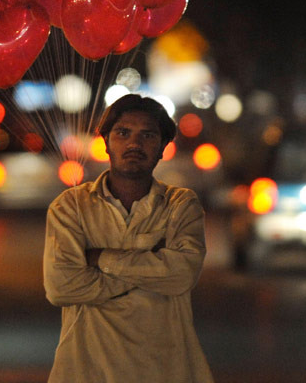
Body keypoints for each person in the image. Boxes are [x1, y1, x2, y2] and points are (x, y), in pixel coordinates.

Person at [43, 94, 215, 382]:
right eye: (123, 133)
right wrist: (153, 263)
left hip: (166, 371)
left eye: (147, 135)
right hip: (86, 371)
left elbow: (182, 275)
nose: (134, 144)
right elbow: (62, 287)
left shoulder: (180, 205)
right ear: (106, 142)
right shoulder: (70, 206)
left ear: (162, 148)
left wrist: (100, 258)